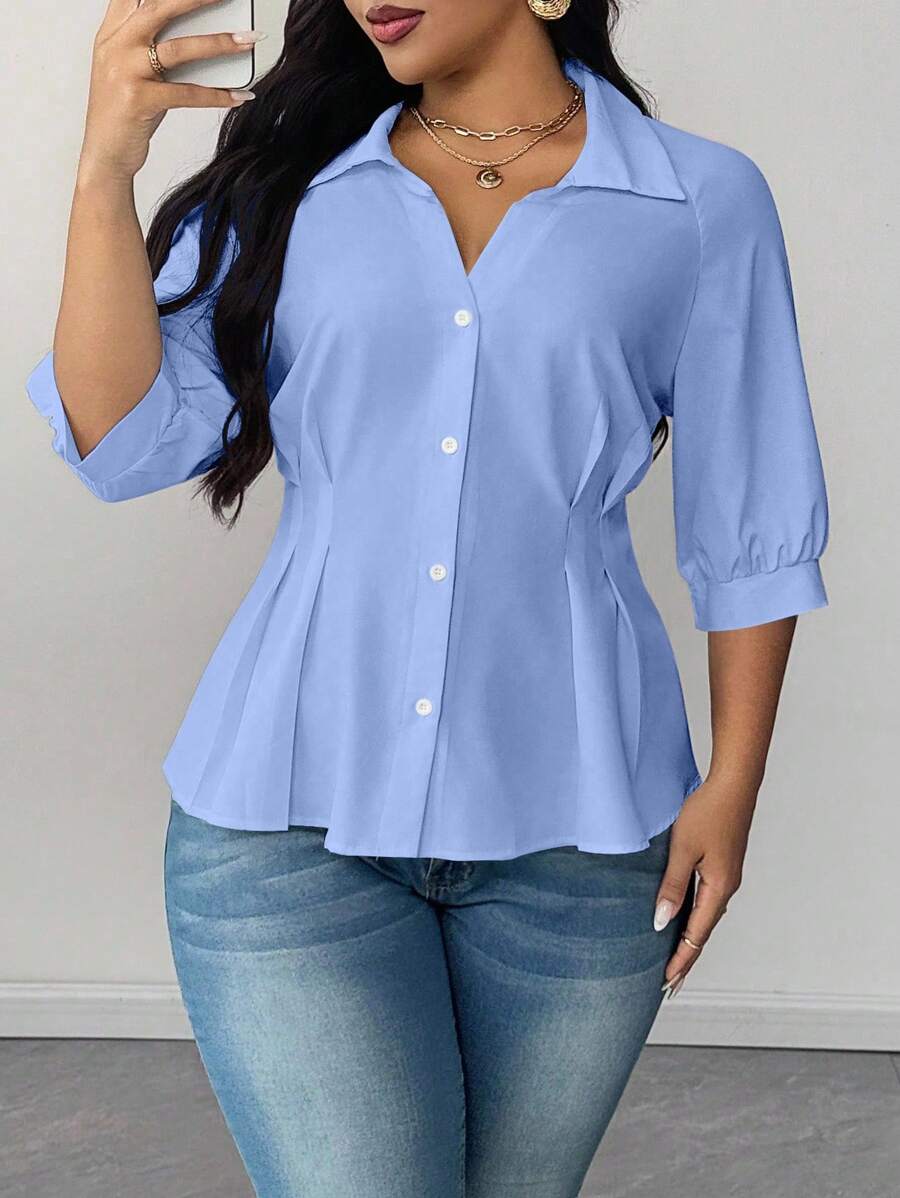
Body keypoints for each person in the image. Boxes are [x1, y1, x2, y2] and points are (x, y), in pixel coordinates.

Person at [26, 1, 830, 1194]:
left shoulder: (698, 200)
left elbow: (750, 519)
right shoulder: (290, 187)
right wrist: (105, 168)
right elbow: (121, 442)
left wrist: (733, 786)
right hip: (284, 822)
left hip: (582, 842)